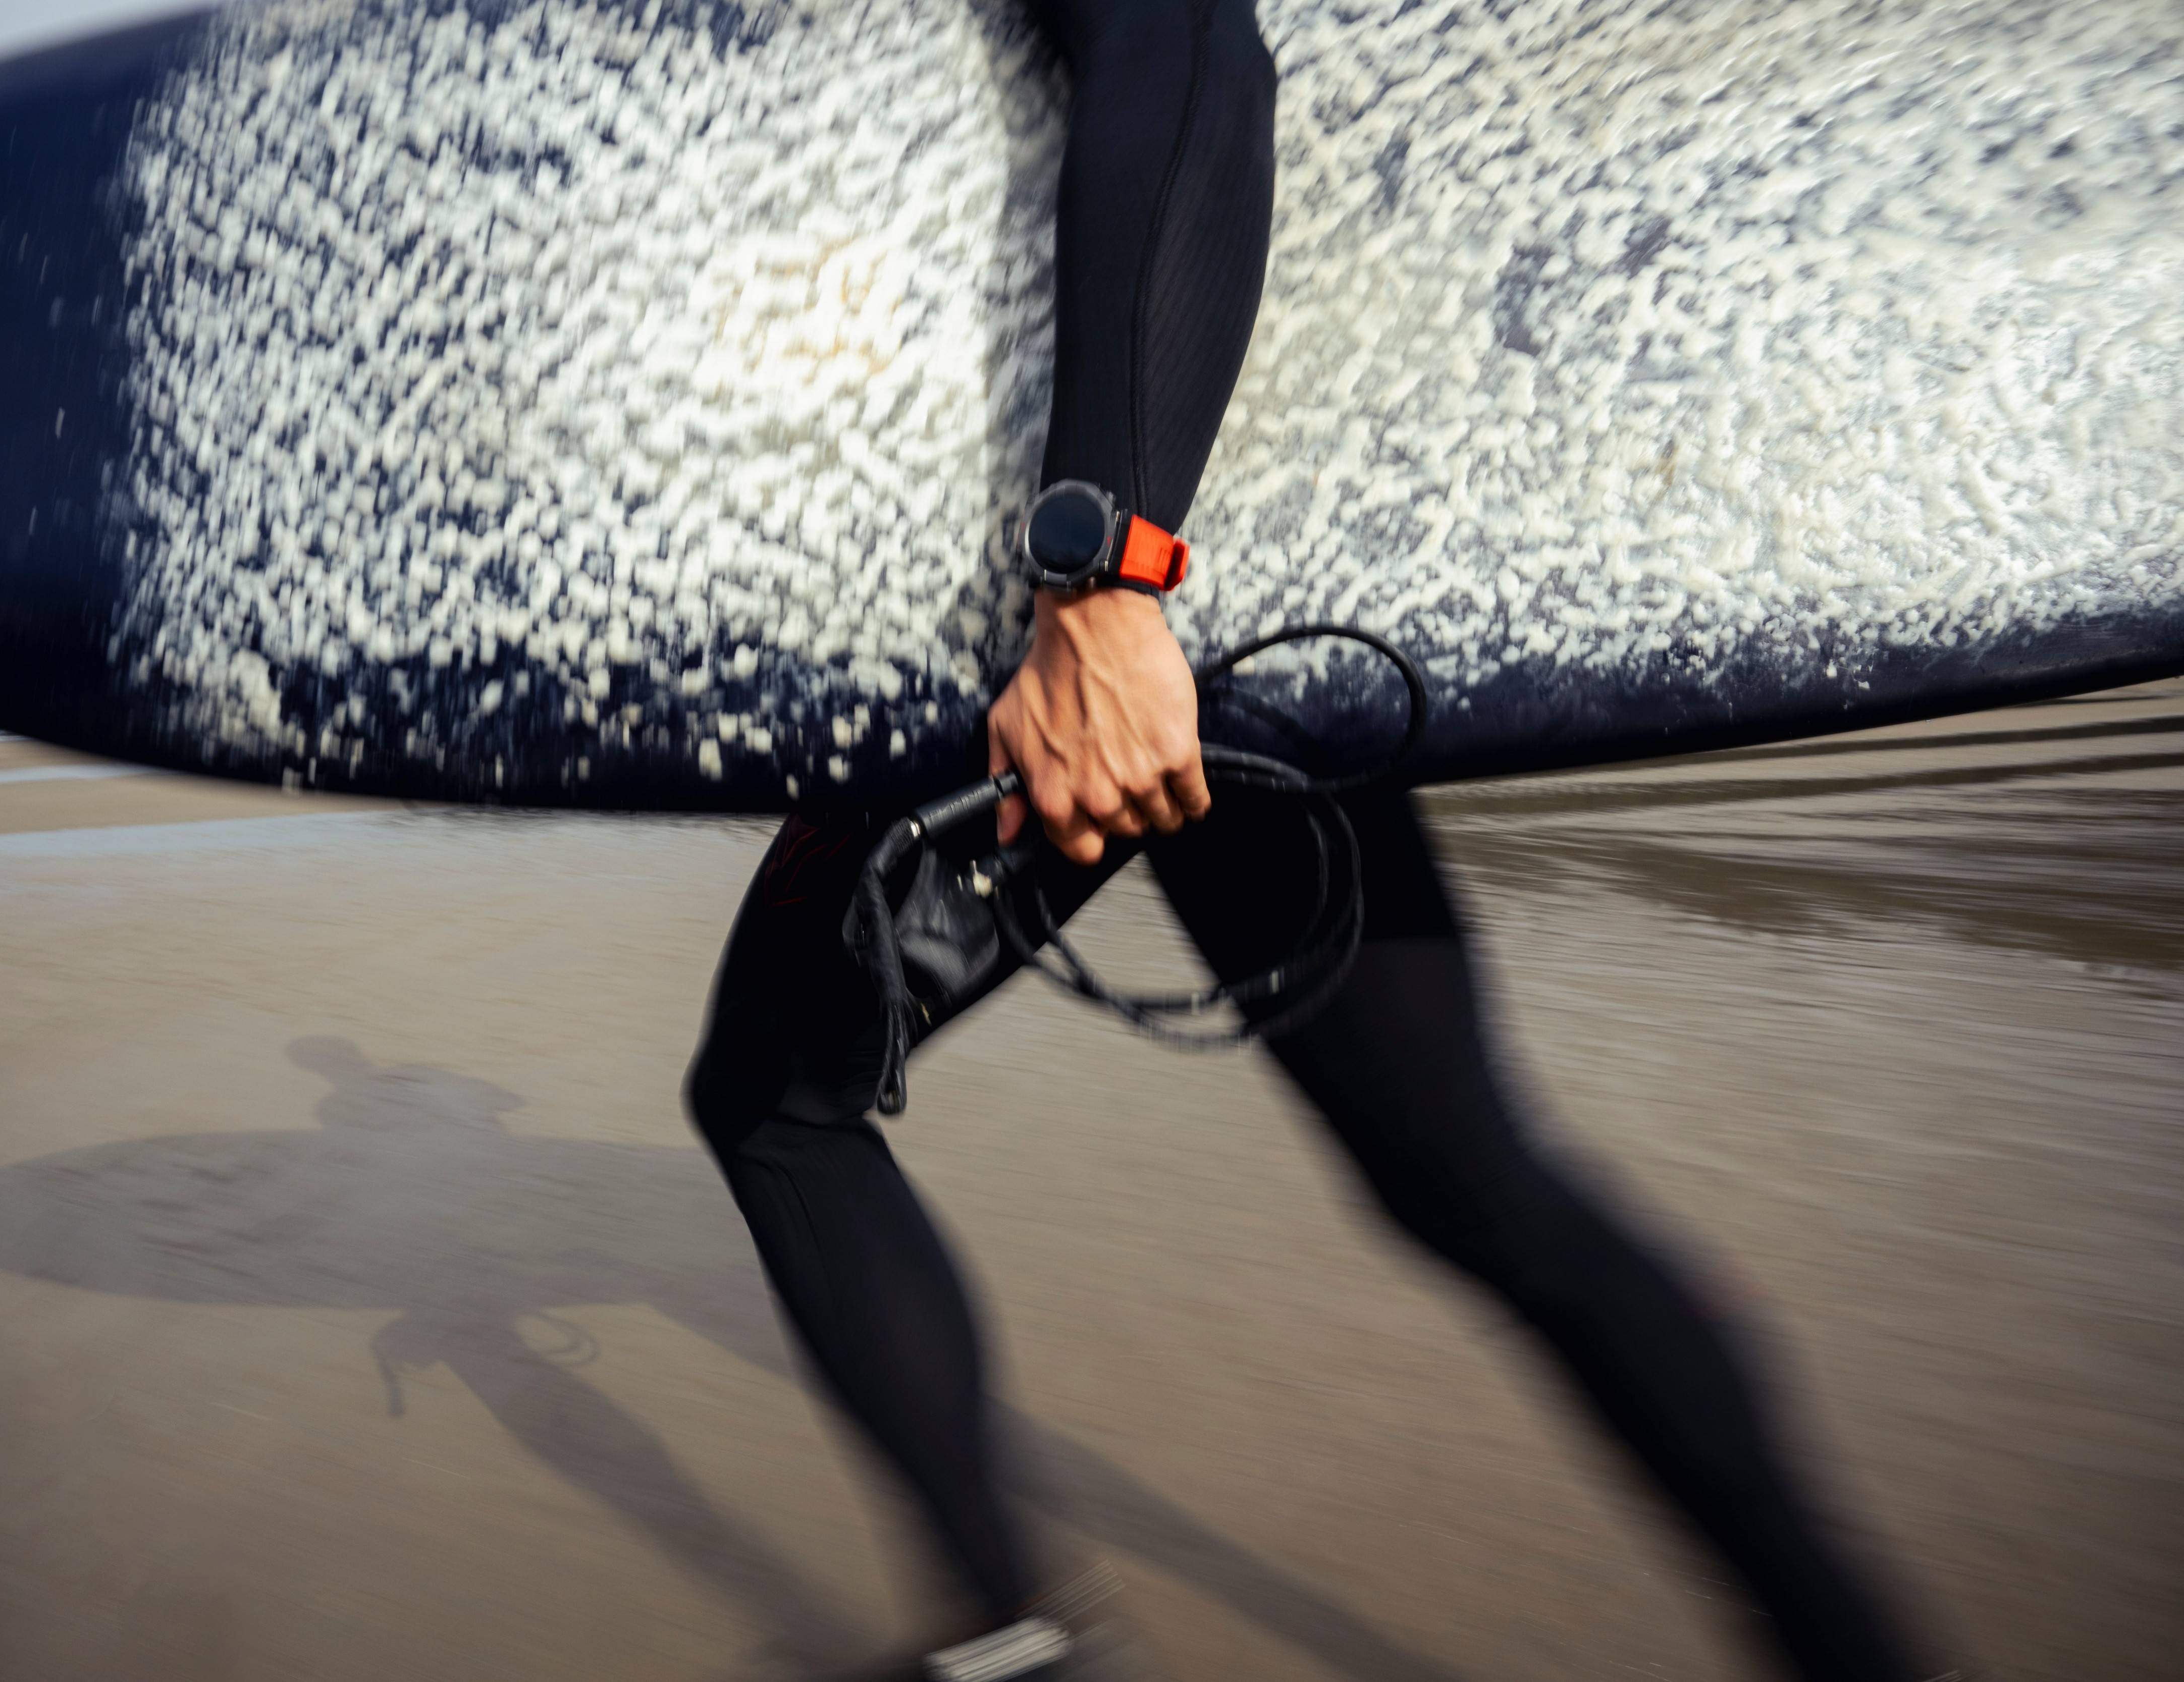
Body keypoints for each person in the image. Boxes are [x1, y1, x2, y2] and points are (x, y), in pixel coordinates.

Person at [684, 1, 1933, 1677]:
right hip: (1208, 596)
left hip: (1080, 638)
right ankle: (1860, 1648)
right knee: (1470, 1181)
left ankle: (1015, 1647)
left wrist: (1102, 584)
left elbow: (1185, 37)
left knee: (777, 1100)